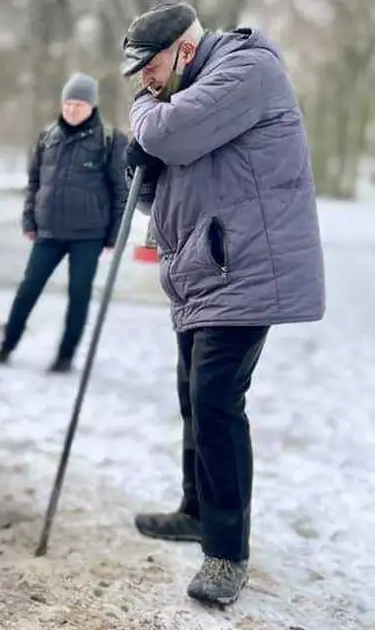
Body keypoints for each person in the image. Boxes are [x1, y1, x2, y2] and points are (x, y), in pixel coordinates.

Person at [121, 1, 325, 606]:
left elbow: (169, 130)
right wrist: (148, 168)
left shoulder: (247, 70)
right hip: (206, 270)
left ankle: (227, 552)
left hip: (247, 268)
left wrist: (145, 121)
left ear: (185, 49)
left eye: (150, 69)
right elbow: (176, 166)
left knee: (215, 399)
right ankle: (195, 509)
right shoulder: (193, 91)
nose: (145, 83)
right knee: (193, 392)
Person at [0, 72, 127, 373]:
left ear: (91, 106)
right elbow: (34, 182)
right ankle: (6, 346)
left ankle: (65, 356)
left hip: (88, 235)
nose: (72, 109)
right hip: (48, 232)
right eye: (68, 103)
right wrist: (29, 220)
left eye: (79, 103)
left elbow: (121, 192)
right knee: (28, 290)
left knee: (79, 295)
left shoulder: (110, 140)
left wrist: (115, 236)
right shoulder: (48, 137)